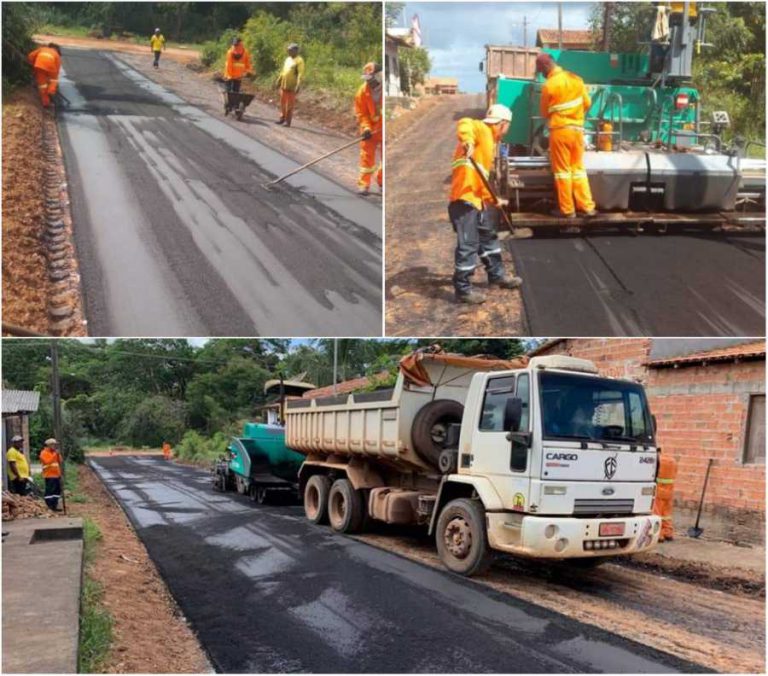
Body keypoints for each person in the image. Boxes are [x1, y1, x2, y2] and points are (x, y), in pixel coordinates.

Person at [448, 104, 523, 304]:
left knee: (488, 237)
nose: (507, 131)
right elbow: (466, 123)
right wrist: (467, 141)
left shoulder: (489, 143)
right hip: (464, 199)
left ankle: (497, 275)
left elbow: (481, 180)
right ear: (502, 123)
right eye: (507, 126)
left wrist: (493, 199)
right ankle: (462, 289)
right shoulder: (483, 130)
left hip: (476, 200)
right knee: (468, 244)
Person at [536, 52, 597, 218]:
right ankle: (587, 207)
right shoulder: (576, 79)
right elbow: (588, 103)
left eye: (540, 69)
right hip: (578, 131)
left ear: (546, 67)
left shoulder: (549, 85)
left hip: (560, 131)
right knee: (578, 170)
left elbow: (543, 113)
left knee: (562, 172)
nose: (540, 73)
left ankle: (567, 210)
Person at [354, 63, 383, 196]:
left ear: (379, 76)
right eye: (367, 79)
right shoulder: (362, 92)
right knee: (366, 156)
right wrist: (366, 127)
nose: (369, 82)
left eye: (371, 79)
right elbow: (361, 113)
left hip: (383, 129)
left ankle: (382, 181)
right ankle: (364, 184)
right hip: (370, 130)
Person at [276, 43, 305, 127]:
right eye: (288, 50)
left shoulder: (299, 61)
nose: (289, 52)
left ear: (296, 51)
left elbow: (300, 74)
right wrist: (279, 80)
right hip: (284, 84)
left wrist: (298, 85)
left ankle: (288, 121)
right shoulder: (287, 59)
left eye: (291, 50)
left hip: (292, 86)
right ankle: (282, 118)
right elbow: (283, 71)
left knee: (289, 105)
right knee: (282, 103)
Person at [27, 43, 62, 108]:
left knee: (42, 86)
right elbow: (57, 70)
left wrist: (32, 64)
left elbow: (30, 56)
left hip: (39, 65)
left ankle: (46, 103)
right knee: (53, 81)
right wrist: (52, 79)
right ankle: (51, 92)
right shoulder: (57, 55)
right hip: (51, 67)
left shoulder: (42, 49)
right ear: (57, 50)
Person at [654, 453, 677, 541]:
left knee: (657, 513)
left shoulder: (658, 461)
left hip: (658, 491)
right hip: (669, 492)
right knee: (666, 514)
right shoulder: (672, 461)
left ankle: (659, 535)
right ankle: (668, 533)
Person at [39, 438, 63, 511]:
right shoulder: (44, 453)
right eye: (54, 445)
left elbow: (60, 461)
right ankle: (49, 505)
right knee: (50, 491)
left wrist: (58, 454)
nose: (55, 446)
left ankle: (54, 505)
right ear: (49, 445)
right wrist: (55, 454)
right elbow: (47, 461)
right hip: (49, 475)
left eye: (56, 445)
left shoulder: (55, 453)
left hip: (57, 475)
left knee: (57, 491)